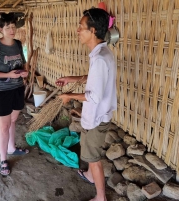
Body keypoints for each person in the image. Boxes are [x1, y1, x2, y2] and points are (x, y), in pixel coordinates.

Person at [55, 8, 117, 201]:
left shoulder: (99, 58)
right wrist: (71, 79)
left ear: (93, 31)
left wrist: (69, 96)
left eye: (81, 27)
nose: (77, 31)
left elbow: (94, 96)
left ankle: (101, 197)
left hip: (97, 116)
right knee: (88, 151)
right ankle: (90, 176)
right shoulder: (102, 53)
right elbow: (95, 80)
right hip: (96, 115)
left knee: (94, 159)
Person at [0, 13, 29, 176]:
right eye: (8, 27)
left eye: (14, 26)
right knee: (4, 126)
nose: (12, 30)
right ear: (0, 29)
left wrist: (24, 72)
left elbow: (22, 63)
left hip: (17, 88)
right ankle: (3, 159)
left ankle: (12, 147)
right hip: (0, 91)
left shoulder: (18, 43)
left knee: (13, 120)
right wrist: (9, 75)